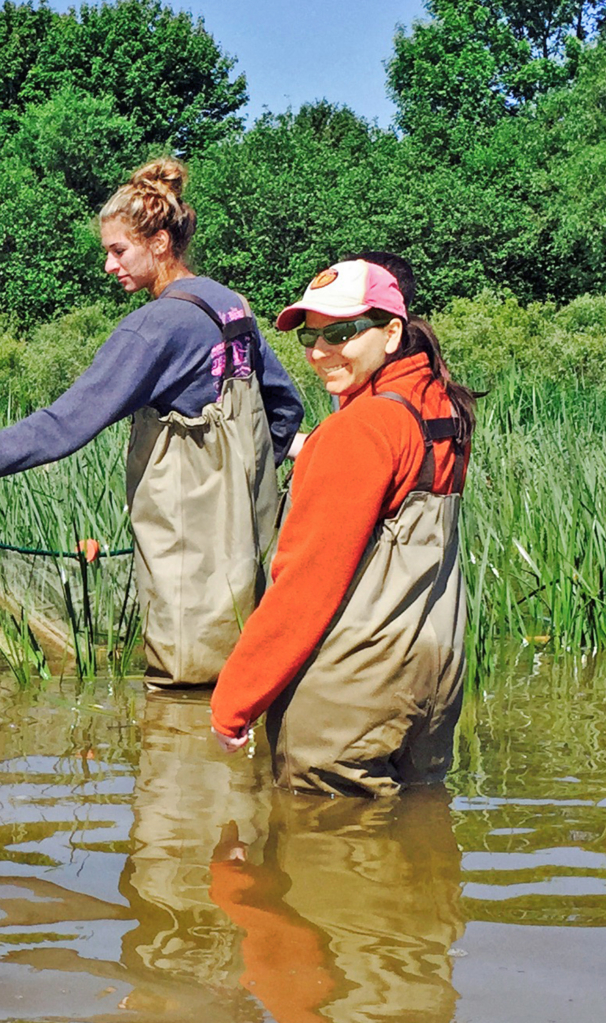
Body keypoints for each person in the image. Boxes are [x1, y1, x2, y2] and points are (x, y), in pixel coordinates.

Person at [0, 158, 306, 687]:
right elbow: (285, 406)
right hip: (250, 542)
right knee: (248, 673)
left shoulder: (151, 330)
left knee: (186, 688)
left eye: (118, 251)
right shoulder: (233, 307)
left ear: (160, 242)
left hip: (189, 551)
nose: (109, 266)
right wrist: (243, 482)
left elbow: (65, 424)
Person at [210, 253, 478, 797]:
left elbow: (307, 582)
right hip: (436, 672)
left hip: (353, 682)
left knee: (324, 852)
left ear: (391, 331)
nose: (319, 352)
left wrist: (234, 700)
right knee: (417, 843)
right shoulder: (440, 408)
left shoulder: (358, 430)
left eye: (343, 332)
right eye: (310, 336)